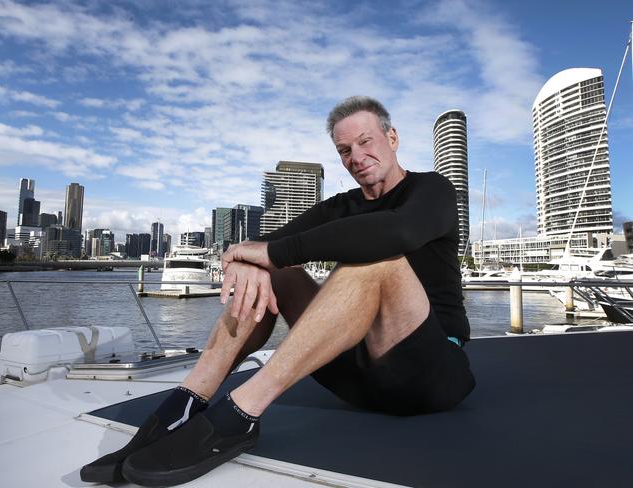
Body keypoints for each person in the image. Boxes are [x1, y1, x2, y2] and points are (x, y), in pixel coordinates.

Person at [80, 96, 476, 486]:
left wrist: (270, 253)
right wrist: (248, 259)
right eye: (344, 150)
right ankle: (185, 403)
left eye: (365, 141)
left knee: (379, 259)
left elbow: (398, 232)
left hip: (428, 376)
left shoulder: (432, 190)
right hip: (355, 382)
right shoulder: (339, 206)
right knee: (275, 272)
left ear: (392, 138)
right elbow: (264, 245)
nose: (356, 156)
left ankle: (240, 415)